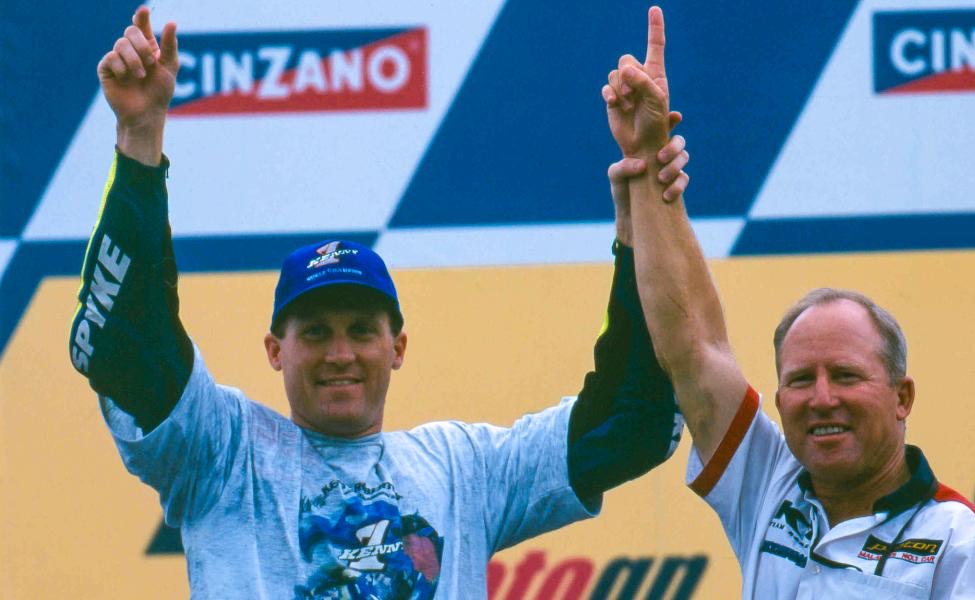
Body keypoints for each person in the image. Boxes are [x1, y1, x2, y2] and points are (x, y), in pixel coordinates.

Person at [69, 8, 692, 598]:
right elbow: (128, 343)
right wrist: (140, 135)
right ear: (275, 350)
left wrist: (640, 209)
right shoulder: (225, 453)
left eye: (362, 330)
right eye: (316, 332)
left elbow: (630, 420)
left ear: (397, 347)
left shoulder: (462, 470)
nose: (340, 353)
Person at [601, 7, 975, 598]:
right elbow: (694, 346)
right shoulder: (768, 484)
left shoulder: (961, 544)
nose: (821, 398)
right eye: (800, 380)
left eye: (845, 375)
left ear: (902, 397)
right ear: (780, 398)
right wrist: (646, 156)